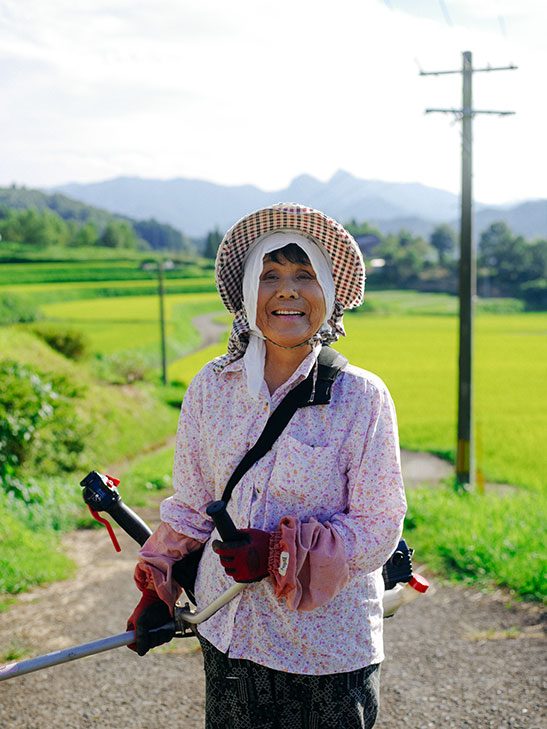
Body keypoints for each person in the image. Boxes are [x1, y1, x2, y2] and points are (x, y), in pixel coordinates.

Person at [127, 202, 407, 729]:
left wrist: (280, 553)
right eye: (270, 275)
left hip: (326, 652)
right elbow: (191, 506)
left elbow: (378, 526)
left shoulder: (361, 397)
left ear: (328, 293)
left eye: (305, 275)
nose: (287, 290)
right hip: (227, 635)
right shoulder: (211, 387)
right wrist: (156, 588)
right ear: (246, 293)